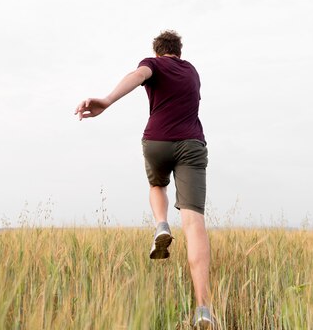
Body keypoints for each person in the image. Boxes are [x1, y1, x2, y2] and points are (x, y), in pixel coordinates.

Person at [75, 30, 213, 329]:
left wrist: (107, 100)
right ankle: (203, 308)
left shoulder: (153, 63)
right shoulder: (191, 71)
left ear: (158, 51)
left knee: (156, 185)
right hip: (191, 143)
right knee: (194, 224)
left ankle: (161, 224)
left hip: (157, 141)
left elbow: (139, 75)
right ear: (179, 51)